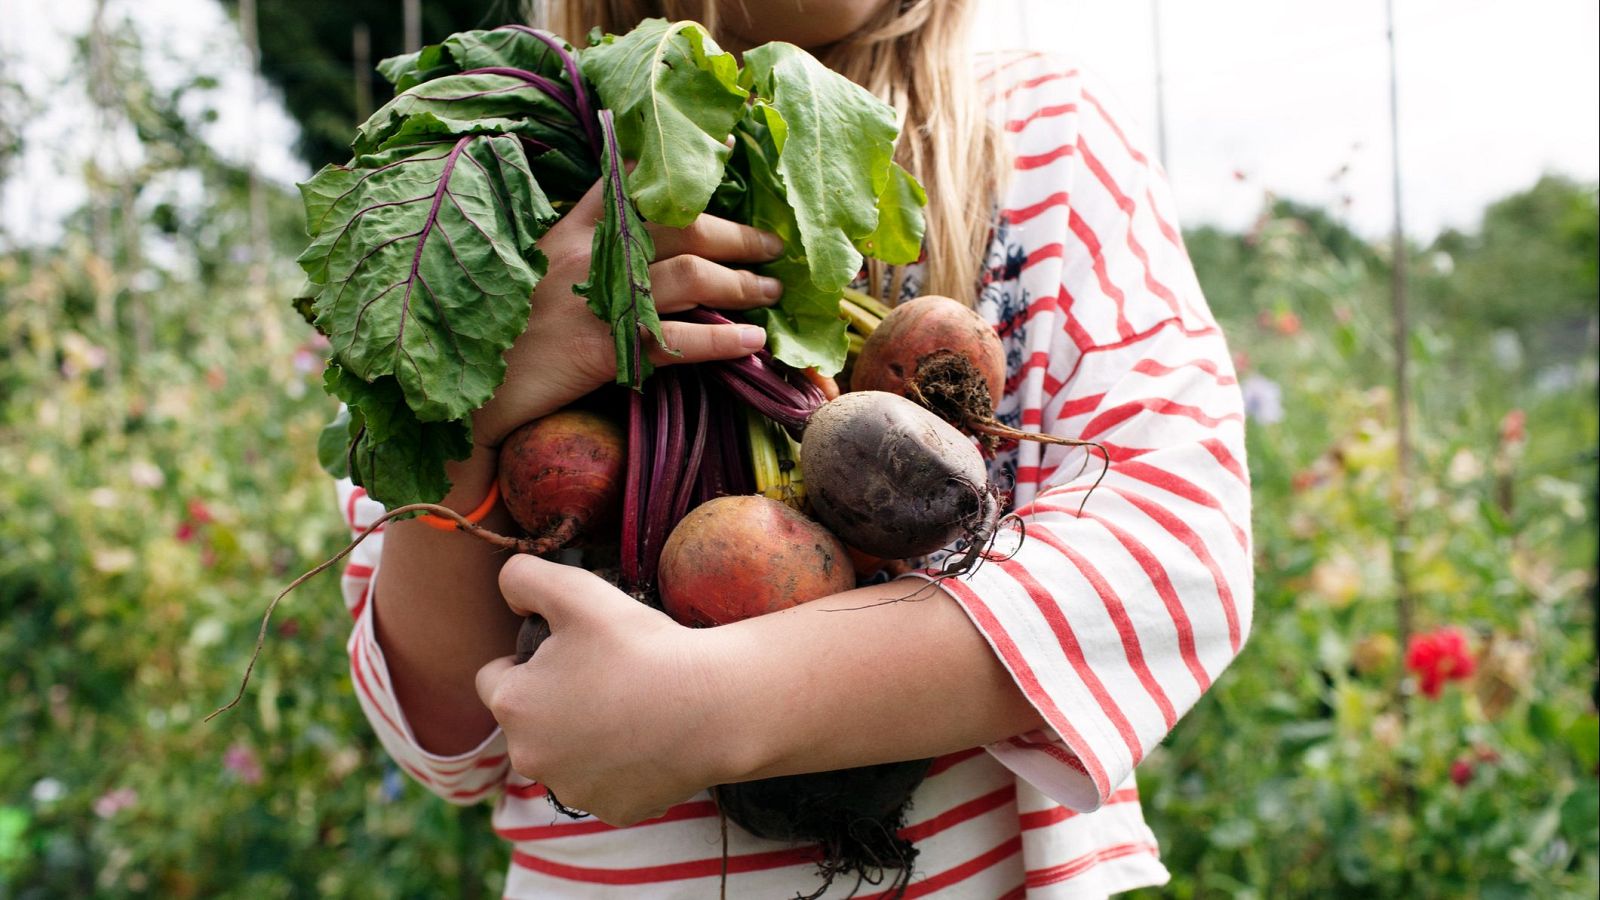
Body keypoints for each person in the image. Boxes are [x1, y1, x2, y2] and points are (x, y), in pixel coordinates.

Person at [335, 0, 1254, 895]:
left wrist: (718, 702)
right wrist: (478, 393)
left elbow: (1178, 553)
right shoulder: (517, 195)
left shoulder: (1037, 135)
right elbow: (448, 735)